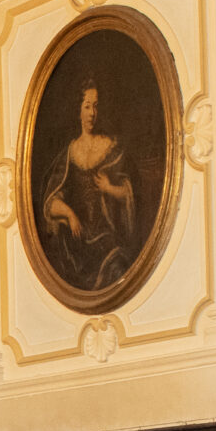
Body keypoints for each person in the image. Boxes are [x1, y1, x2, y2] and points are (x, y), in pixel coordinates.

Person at [38, 78, 138, 292]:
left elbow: (132, 194)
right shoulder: (69, 154)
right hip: (77, 243)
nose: (92, 113)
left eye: (96, 106)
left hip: (108, 239)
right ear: (78, 110)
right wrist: (70, 214)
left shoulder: (111, 148)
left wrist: (110, 189)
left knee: (118, 270)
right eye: (87, 106)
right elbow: (50, 201)